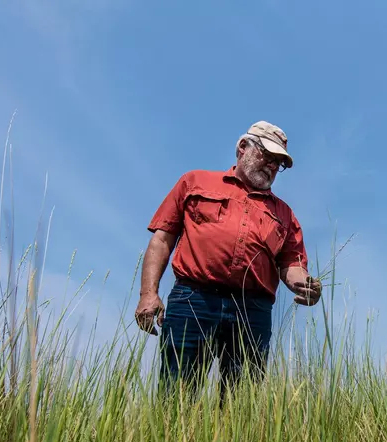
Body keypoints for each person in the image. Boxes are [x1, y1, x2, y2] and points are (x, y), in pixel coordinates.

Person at [134, 120, 322, 398]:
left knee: (239, 404)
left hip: (253, 311)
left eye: (277, 163)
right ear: (243, 147)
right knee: (176, 396)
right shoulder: (194, 182)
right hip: (193, 300)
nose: (271, 166)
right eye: (266, 156)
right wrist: (148, 294)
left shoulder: (285, 214)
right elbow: (162, 240)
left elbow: (291, 265)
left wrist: (304, 283)